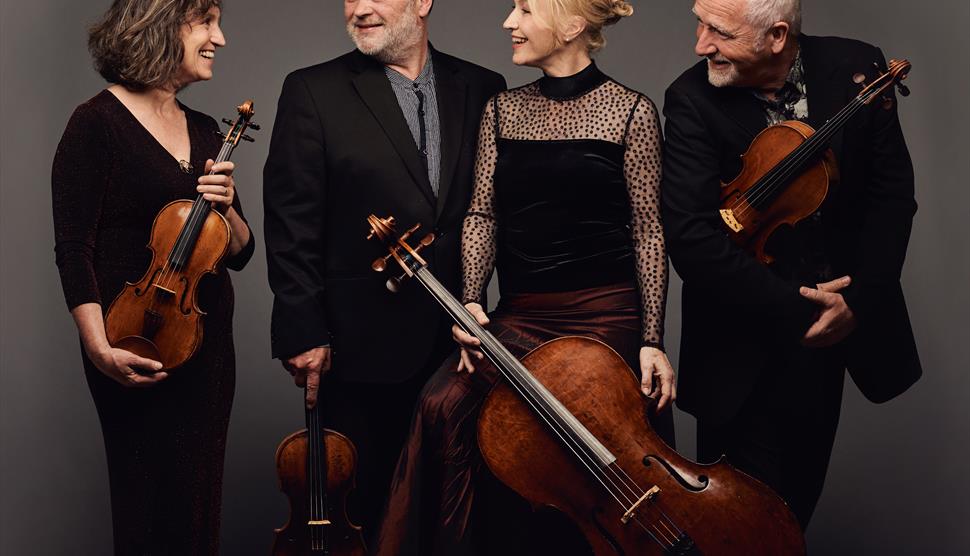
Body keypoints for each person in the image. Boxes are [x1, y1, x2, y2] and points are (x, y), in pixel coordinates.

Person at [376, 0, 676, 553]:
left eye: (526, 9)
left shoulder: (631, 112)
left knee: (585, 448)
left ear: (572, 25)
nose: (509, 22)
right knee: (443, 404)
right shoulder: (502, 111)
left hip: (604, 320)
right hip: (522, 315)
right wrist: (469, 302)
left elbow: (648, 231)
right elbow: (482, 214)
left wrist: (653, 340)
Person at [661, 0, 921, 529]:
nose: (700, 44)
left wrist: (856, 301)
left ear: (777, 36)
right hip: (737, 350)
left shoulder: (857, 70)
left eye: (720, 31)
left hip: (825, 347)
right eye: (700, 22)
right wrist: (803, 309)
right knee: (732, 529)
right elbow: (692, 239)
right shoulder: (690, 97)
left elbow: (891, 199)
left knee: (792, 514)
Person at [262, 0, 506, 543]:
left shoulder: (485, 86)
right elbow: (290, 221)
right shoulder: (312, 90)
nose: (360, 8)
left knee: (459, 523)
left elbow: (493, 213)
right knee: (373, 520)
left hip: (462, 347)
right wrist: (302, 331)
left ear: (422, 3)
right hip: (360, 349)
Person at [51, 1, 254, 553]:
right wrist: (98, 350)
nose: (220, 38)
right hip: (132, 343)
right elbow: (74, 249)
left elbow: (239, 251)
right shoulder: (96, 124)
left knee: (198, 509)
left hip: (207, 348)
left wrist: (229, 206)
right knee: (146, 511)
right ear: (164, 24)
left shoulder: (208, 130)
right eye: (206, 21)